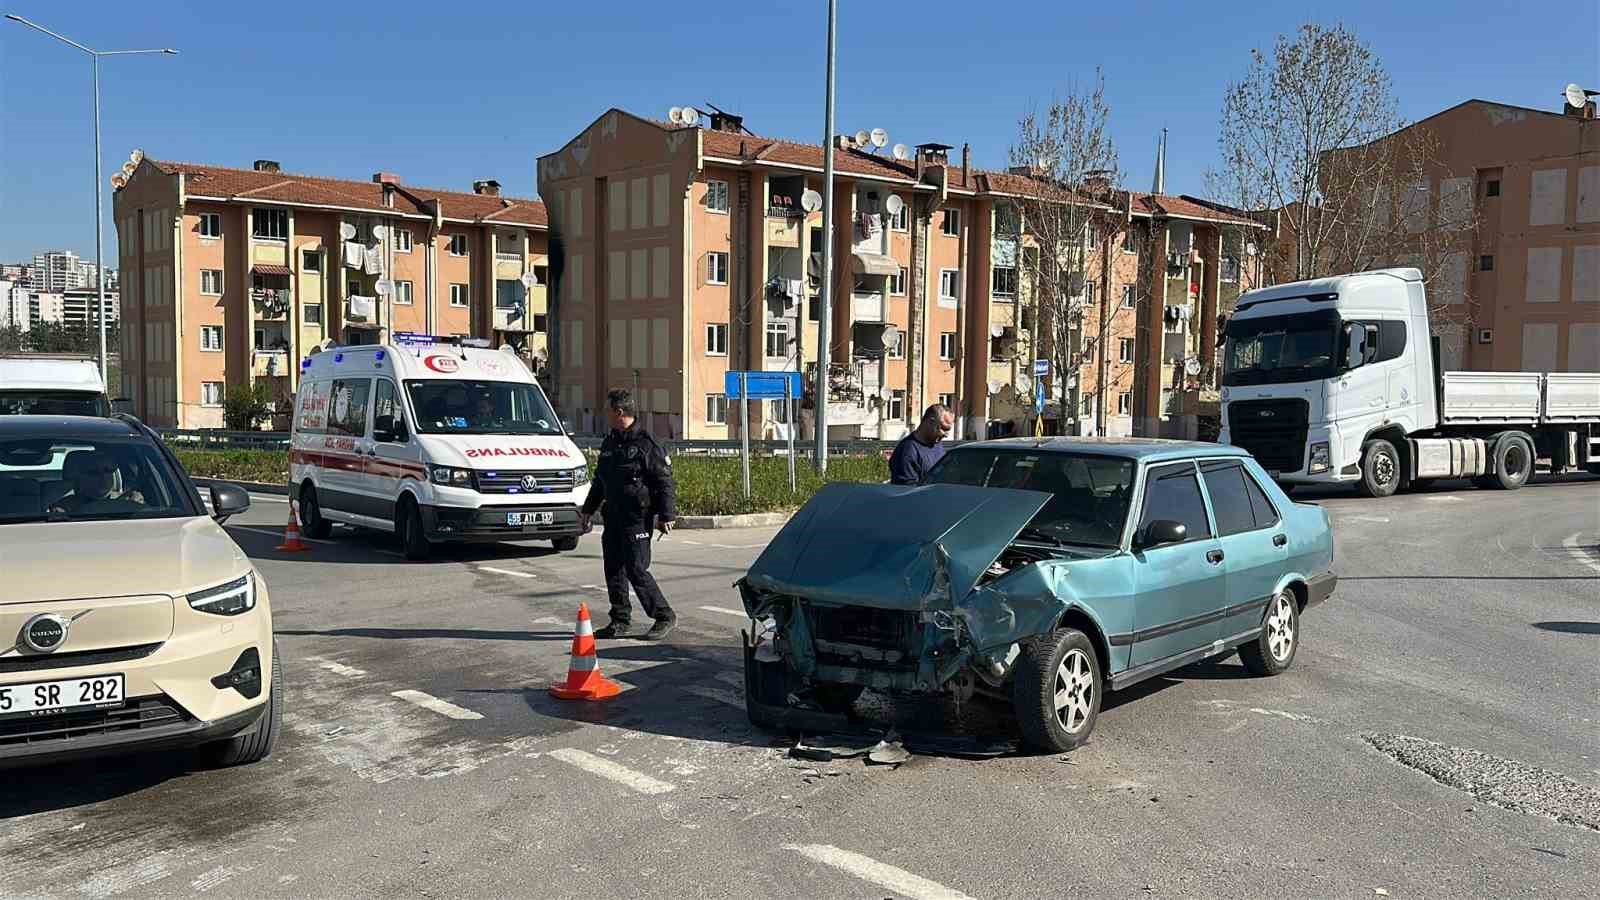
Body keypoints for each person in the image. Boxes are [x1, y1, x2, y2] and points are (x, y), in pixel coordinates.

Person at [579, 389, 678, 640]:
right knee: (613, 568)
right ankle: (620, 620)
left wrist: (667, 515)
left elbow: (664, 482)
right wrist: (588, 510)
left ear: (619, 412)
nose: (606, 414)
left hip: (637, 517)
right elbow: (600, 481)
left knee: (636, 569)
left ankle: (663, 615)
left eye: (608, 410)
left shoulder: (647, 443)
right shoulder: (611, 441)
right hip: (613, 516)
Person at [50, 449, 144, 514]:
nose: (103, 476)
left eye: (108, 470)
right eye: (93, 472)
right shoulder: (64, 507)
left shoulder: (130, 500)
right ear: (78, 477)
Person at [888, 404, 954, 485]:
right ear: (930, 422)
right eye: (944, 428)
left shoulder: (937, 444)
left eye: (948, 430)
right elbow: (908, 492)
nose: (946, 435)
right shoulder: (907, 451)